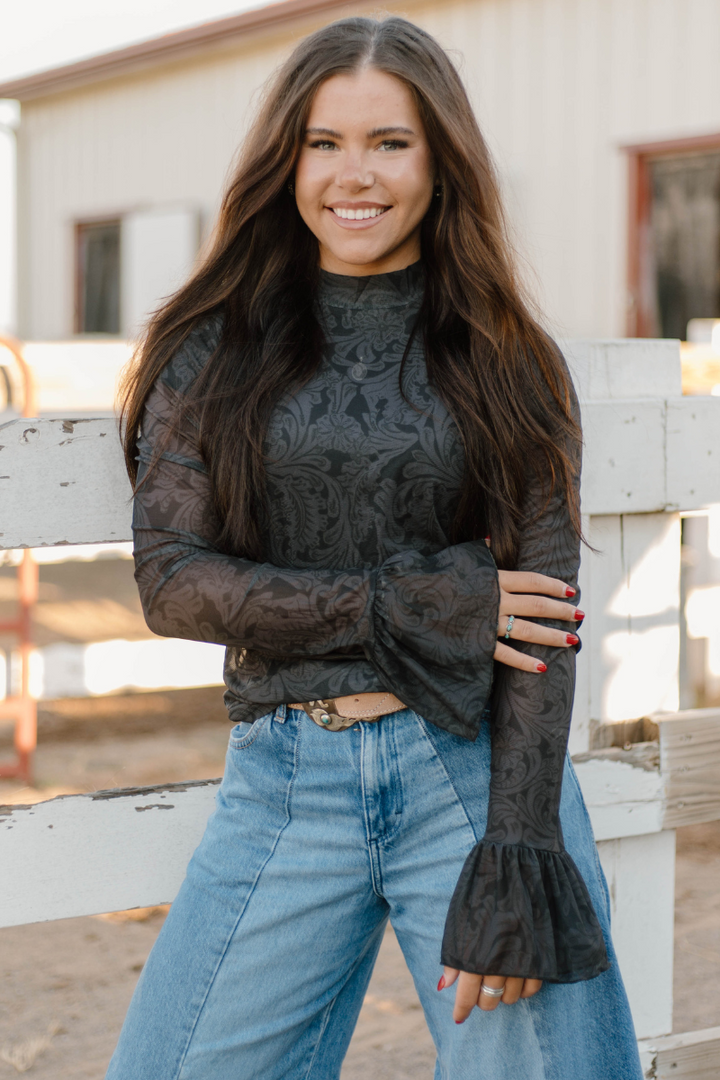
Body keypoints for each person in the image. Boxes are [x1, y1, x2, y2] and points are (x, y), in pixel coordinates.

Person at [107, 15, 643, 1080]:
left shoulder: (507, 357)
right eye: (324, 143)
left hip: (470, 770)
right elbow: (173, 583)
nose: (356, 175)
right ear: (286, 159)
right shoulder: (213, 343)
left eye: (391, 143)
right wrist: (417, 604)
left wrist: (520, 848)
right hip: (284, 780)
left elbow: (543, 617)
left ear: (441, 158)